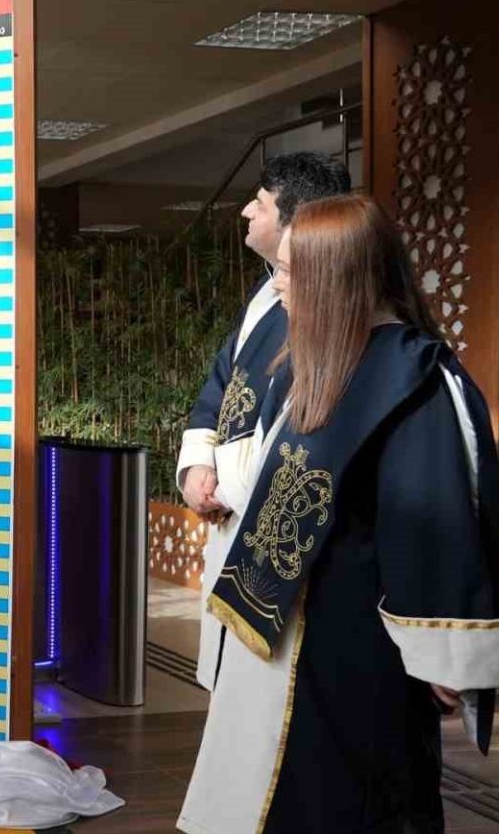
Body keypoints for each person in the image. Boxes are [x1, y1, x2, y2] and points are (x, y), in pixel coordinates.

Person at [178, 194, 499, 833]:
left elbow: (431, 518)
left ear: (334, 278)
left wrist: (442, 656)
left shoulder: (415, 377)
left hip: (356, 647)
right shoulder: (313, 361)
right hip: (285, 634)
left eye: (289, 271)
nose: (278, 286)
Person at [176, 152, 351, 689]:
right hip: (229, 517)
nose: (246, 211)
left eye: (260, 202)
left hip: (275, 534)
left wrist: (232, 486)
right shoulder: (265, 293)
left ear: (299, 219)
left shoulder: (333, 311)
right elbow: (221, 383)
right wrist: (197, 466)